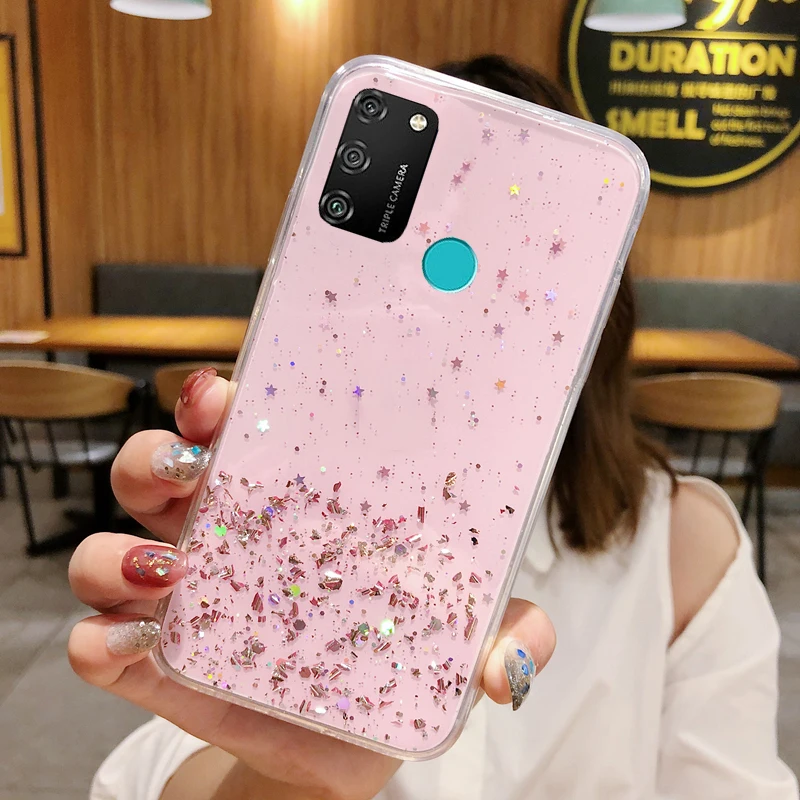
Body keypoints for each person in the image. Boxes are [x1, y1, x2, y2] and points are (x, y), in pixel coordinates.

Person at [71, 56, 798, 800]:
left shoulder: (685, 550)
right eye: (402, 281)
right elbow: (148, 779)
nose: (444, 329)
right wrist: (295, 779)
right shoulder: (284, 515)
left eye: (515, 282)